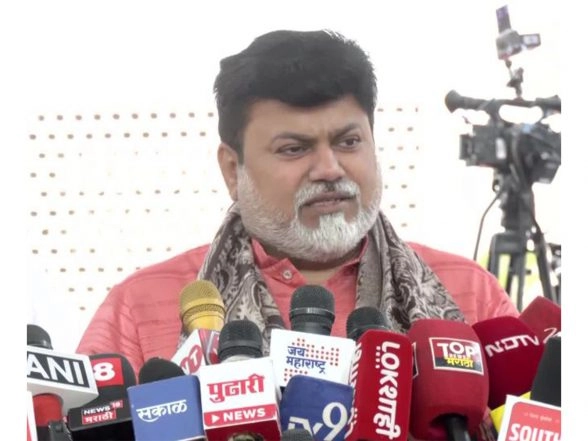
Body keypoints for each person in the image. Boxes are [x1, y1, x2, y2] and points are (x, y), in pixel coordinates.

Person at [77, 28, 518, 426]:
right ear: (232, 170)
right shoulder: (138, 307)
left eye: (349, 142)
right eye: (294, 149)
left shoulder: (470, 295)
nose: (329, 168)